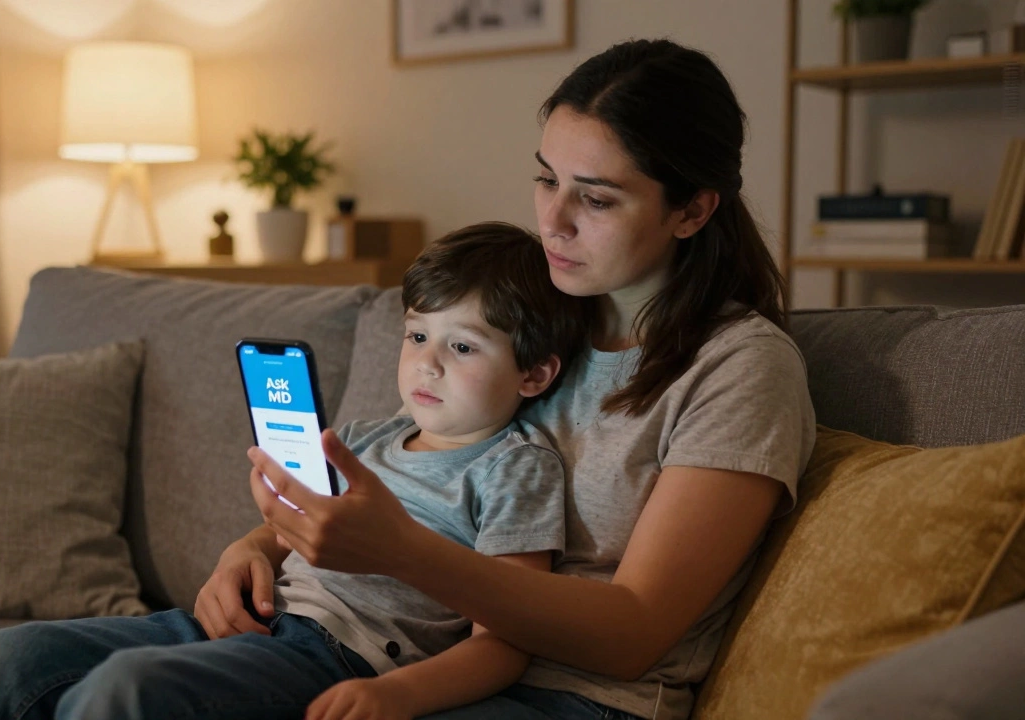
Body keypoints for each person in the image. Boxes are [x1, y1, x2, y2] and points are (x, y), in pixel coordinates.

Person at [239, 38, 817, 720]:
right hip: (421, 663)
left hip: (577, 698)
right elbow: (409, 476)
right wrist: (252, 550)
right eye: (547, 180)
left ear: (691, 210)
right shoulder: (527, 317)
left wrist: (404, 553)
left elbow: (633, 632)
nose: (552, 223)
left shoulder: (740, 367)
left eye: (595, 199)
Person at [0, 222, 596, 720]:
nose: (428, 363)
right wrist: (247, 548)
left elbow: (507, 639)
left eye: (463, 346)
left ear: (534, 374)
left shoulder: (516, 468)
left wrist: (397, 695)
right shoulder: (363, 438)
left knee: (126, 690)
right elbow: (292, 530)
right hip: (250, 619)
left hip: (336, 655)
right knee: (8, 657)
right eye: (418, 336)